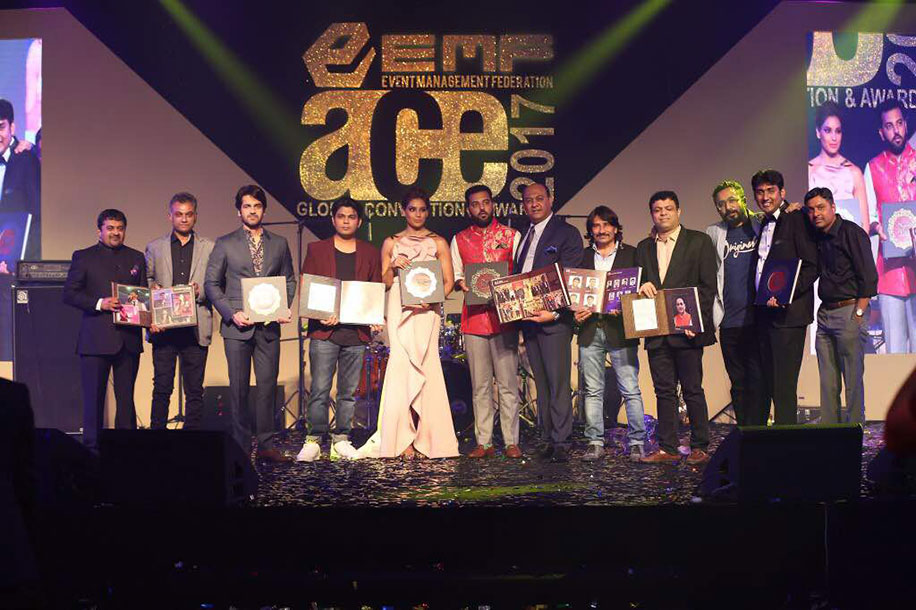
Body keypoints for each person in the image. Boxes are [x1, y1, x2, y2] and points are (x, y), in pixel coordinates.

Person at [357, 186, 458, 459]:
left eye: (422, 209)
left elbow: (448, 281)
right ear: (404, 211)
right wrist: (393, 265)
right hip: (399, 309)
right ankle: (402, 440)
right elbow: (384, 282)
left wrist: (433, 300)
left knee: (428, 369)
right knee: (400, 370)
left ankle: (428, 439)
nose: (418, 214)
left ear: (428, 212)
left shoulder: (438, 242)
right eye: (412, 209)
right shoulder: (392, 242)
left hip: (427, 312)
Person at [204, 185, 297, 462]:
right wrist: (231, 313)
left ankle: (266, 445)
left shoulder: (279, 243)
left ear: (264, 210)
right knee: (238, 389)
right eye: (247, 206)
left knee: (267, 387)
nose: (252, 211)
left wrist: (283, 306)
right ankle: (241, 447)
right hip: (237, 327)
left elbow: (289, 279)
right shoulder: (225, 243)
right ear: (239, 211)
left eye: (257, 206)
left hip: (268, 327)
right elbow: (211, 284)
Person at [296, 197, 382, 462]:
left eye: (351, 217)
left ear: (359, 221)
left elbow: (374, 288)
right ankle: (313, 441)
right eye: (341, 216)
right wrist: (320, 315)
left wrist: (374, 316)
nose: (346, 221)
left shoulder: (370, 252)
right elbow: (307, 287)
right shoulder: (317, 249)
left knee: (348, 393)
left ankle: (341, 439)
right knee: (320, 389)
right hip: (325, 332)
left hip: (355, 333)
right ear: (333, 220)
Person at [635, 191, 717, 465]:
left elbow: (708, 287)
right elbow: (636, 285)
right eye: (657, 209)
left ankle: (700, 446)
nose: (663, 213)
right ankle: (668, 448)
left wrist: (697, 322)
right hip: (657, 331)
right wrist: (642, 285)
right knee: (664, 390)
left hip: (687, 330)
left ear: (679, 211)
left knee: (692, 389)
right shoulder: (644, 247)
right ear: (652, 214)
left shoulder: (698, 241)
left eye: (668, 208)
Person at [63, 209, 146, 450]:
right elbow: (70, 294)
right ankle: (92, 451)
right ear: (99, 230)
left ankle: (127, 451)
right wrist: (101, 303)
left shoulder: (137, 257)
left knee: (126, 402)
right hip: (95, 340)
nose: (115, 233)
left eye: (120, 228)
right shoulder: (83, 256)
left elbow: (144, 297)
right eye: (110, 228)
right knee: (93, 401)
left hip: (128, 340)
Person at [450, 184, 522, 459]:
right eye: (475, 204)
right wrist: (462, 283)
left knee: (508, 384)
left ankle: (511, 441)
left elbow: (521, 273)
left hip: (505, 320)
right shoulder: (459, 239)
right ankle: (484, 442)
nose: (481, 208)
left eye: (486, 202)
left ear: (493, 204)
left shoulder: (511, 236)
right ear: (468, 208)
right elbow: (456, 275)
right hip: (474, 320)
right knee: (480, 386)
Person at [514, 182, 583, 462]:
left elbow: (570, 277)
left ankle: (562, 441)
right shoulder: (523, 235)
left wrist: (554, 313)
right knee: (541, 385)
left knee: (558, 384)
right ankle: (547, 438)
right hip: (529, 322)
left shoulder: (566, 233)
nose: (534, 204)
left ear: (550, 199)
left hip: (554, 322)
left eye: (539, 198)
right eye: (528, 200)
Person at [574, 205, 648, 461]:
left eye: (606, 224)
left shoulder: (632, 254)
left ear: (616, 228)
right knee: (593, 390)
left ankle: (637, 441)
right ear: (590, 231)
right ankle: (595, 442)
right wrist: (575, 313)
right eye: (596, 225)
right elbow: (573, 294)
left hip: (620, 329)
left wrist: (625, 307)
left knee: (630, 388)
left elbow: (640, 291)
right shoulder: (582, 257)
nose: (601, 230)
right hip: (590, 329)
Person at [805, 187, 878, 424]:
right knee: (828, 380)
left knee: (852, 378)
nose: (816, 213)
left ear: (833, 207)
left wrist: (859, 313)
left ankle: (855, 427)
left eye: (821, 207)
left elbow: (868, 276)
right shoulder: (818, 235)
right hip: (825, 313)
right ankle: (830, 429)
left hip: (849, 311)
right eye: (811, 209)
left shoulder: (851, 233)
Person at [753, 169, 819, 425]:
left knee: (784, 384)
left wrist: (785, 295)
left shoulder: (797, 218)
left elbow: (811, 265)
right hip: (765, 313)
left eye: (771, 191)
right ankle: (776, 436)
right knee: (770, 381)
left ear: (782, 192)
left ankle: (786, 439)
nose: (765, 197)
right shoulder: (763, 222)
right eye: (760, 192)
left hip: (789, 316)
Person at [145, 192, 214, 430]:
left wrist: (200, 290)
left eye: (188, 214)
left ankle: (191, 441)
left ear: (195, 216)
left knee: (194, 390)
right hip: (164, 328)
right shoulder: (155, 247)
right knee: (162, 387)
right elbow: (147, 279)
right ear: (170, 216)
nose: (184, 219)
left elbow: (217, 283)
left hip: (195, 328)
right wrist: (152, 289)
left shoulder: (209, 248)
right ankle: (157, 439)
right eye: (178, 214)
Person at [705, 180, 769, 426]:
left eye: (732, 200)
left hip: (758, 320)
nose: (728, 207)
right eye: (721, 204)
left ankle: (759, 431)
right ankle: (743, 431)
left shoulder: (761, 224)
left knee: (760, 380)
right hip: (729, 323)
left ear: (743, 199)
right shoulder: (714, 232)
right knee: (738, 382)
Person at [864, 98, 916, 353]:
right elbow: (867, 217)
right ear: (881, 132)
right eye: (889, 126)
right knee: (895, 352)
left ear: (905, 124)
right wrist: (876, 227)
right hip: (889, 273)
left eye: (899, 123)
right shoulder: (872, 168)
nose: (896, 130)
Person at [808, 101, 869, 226]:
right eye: (828, 130)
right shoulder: (809, 171)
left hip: (850, 238)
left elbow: (864, 225)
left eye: (838, 131)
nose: (834, 138)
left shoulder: (854, 172)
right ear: (818, 132)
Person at [0, 99, 40, 261]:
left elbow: (36, 216)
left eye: (1, 127)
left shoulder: (26, 160)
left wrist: (20, 262)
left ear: (12, 127)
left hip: (16, 260)